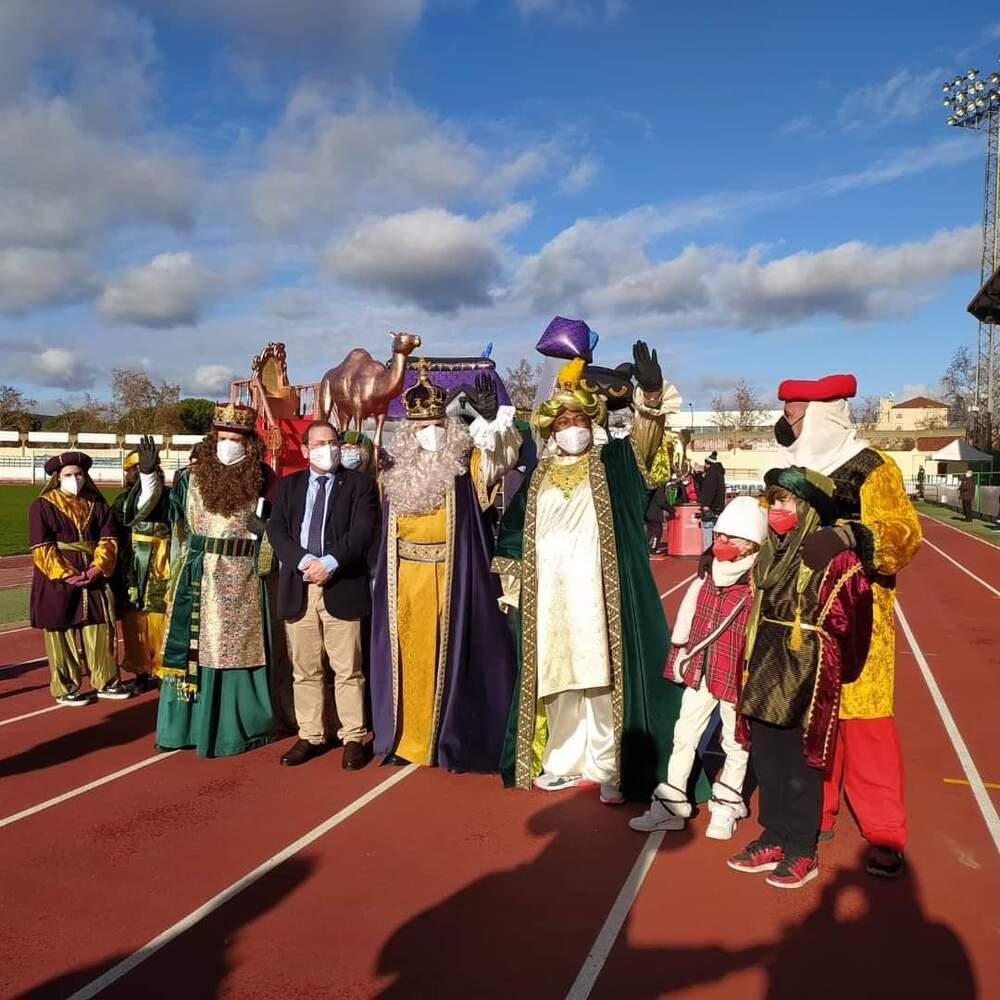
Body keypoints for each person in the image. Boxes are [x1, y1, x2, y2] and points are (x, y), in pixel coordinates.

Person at [494, 342, 681, 804]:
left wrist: (651, 396)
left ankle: (608, 765)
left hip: (600, 592)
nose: (572, 429)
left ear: (593, 422)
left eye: (580, 420)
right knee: (557, 677)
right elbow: (512, 533)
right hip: (549, 596)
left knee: (601, 675)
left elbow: (647, 444)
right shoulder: (537, 477)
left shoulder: (613, 462)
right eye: (563, 422)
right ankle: (560, 759)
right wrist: (513, 585)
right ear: (551, 430)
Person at [775, 373, 921, 878]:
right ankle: (815, 812)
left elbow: (904, 534)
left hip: (858, 616)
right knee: (807, 718)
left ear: (820, 414)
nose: (787, 423)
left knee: (864, 725)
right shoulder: (790, 468)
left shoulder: (872, 468)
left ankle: (884, 831)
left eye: (795, 414)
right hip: (796, 612)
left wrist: (847, 534)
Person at [370, 364, 521, 772]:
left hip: (453, 577)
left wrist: (494, 420)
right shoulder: (392, 477)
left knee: (448, 655)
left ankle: (444, 738)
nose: (430, 433)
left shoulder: (466, 468)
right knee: (408, 661)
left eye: (436, 424)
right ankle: (407, 738)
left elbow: (502, 458)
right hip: (402, 580)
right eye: (421, 427)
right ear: (408, 433)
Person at [728, 467, 872, 889]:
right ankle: (772, 834)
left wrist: (834, 670)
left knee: (800, 764)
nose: (777, 510)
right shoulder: (772, 552)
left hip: (806, 667)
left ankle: (801, 849)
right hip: (765, 660)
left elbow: (856, 621)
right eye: (772, 501)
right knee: (767, 756)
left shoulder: (835, 557)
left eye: (786, 501)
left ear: (809, 508)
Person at [629, 495, 767, 838]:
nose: (720, 543)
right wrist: (679, 654)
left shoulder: (759, 582)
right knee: (684, 733)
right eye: (718, 536)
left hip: (737, 672)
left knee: (735, 740)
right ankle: (672, 804)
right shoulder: (706, 573)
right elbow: (688, 619)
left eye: (729, 538)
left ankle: (727, 804)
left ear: (751, 543)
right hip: (703, 667)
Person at [155, 402, 275, 757]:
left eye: (236, 438)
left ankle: (236, 726)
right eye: (223, 437)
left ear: (249, 442)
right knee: (191, 647)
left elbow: (283, 525)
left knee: (237, 648)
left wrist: (266, 533)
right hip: (199, 573)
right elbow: (161, 515)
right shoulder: (190, 477)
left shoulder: (265, 477)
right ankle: (185, 725)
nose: (229, 444)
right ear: (212, 439)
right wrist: (149, 478)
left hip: (243, 577)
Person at [266, 420, 379, 769]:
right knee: (305, 669)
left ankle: (352, 735)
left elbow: (363, 530)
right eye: (319, 443)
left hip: (341, 584)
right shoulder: (288, 486)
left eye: (332, 442)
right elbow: (277, 529)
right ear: (304, 449)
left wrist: (330, 562)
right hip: (299, 587)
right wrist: (304, 561)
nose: (327, 448)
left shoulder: (360, 485)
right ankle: (311, 734)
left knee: (348, 669)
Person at [29, 451, 131, 705]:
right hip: (57, 579)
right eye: (68, 475)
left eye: (78, 474)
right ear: (57, 477)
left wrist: (98, 568)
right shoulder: (42, 505)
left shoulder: (97, 504)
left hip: (95, 578)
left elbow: (109, 539)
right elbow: (41, 546)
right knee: (60, 633)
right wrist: (66, 573)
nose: (74, 479)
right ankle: (65, 687)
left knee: (99, 629)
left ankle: (106, 681)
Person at [111, 436, 171, 694]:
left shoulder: (169, 496)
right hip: (132, 566)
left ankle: (160, 668)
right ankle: (139, 669)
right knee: (134, 619)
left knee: (159, 616)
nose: (139, 473)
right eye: (136, 469)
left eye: (147, 468)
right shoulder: (122, 501)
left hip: (161, 562)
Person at [698, 452, 726, 549]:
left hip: (710, 508)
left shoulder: (711, 474)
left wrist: (705, 504)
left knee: (708, 531)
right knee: (717, 533)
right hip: (719, 507)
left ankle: (708, 553)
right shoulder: (720, 473)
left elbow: (708, 490)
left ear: (708, 464)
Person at [644, 484, 669, 554]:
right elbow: (661, 501)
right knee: (657, 531)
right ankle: (652, 548)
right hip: (654, 513)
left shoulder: (649, 487)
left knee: (650, 531)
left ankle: (645, 547)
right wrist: (670, 509)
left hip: (647, 512)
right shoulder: (660, 488)